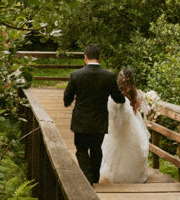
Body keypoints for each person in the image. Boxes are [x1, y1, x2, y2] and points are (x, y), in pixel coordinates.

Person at [63, 44, 125, 185]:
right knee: (96, 150)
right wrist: (126, 98)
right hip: (99, 121)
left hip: (81, 121)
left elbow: (67, 98)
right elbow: (117, 97)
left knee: (81, 150)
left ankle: (87, 178)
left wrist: (69, 102)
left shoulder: (76, 75)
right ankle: (95, 178)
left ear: (85, 57)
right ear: (99, 57)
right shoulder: (109, 76)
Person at [100, 67, 150, 183]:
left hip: (117, 127)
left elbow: (109, 112)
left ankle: (116, 174)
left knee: (114, 148)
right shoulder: (138, 94)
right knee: (133, 149)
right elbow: (146, 111)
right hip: (133, 125)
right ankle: (132, 174)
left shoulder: (114, 95)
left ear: (119, 80)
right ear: (133, 80)